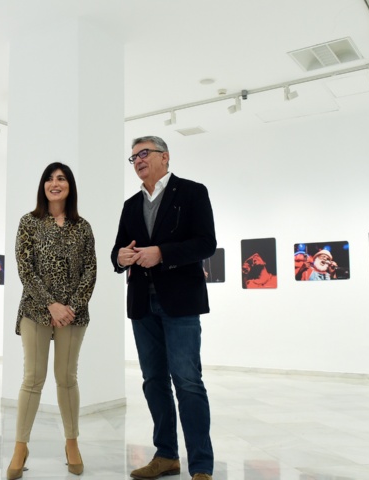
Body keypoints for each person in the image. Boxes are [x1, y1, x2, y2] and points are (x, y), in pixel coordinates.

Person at [111, 136, 216, 480]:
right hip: (142, 303)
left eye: (144, 154)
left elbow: (206, 243)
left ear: (165, 157)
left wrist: (163, 253)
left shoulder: (192, 192)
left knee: (187, 381)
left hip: (181, 302)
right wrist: (120, 257)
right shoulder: (130, 205)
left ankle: (200, 465)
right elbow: (117, 252)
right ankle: (166, 455)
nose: (138, 160)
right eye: (133, 157)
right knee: (153, 380)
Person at [7, 162, 96, 480]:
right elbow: (24, 268)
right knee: (33, 378)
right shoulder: (28, 223)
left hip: (73, 315)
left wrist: (70, 307)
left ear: (70, 187)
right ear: (43, 186)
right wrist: (51, 305)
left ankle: (72, 442)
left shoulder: (82, 227)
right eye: (49, 178)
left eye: (61, 179)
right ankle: (21, 446)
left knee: (67, 378)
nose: (55, 183)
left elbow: (90, 270)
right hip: (35, 310)